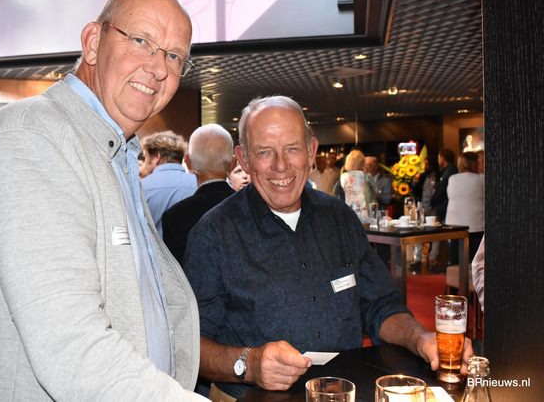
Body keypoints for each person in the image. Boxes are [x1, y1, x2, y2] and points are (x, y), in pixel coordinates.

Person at [0, 0, 206, 401]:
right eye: (141, 41)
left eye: (174, 56)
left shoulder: (115, 151)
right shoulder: (32, 136)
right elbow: (71, 346)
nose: (158, 68)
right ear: (92, 42)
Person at [183, 96, 472, 399]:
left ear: (311, 152)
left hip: (344, 392)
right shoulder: (213, 234)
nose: (280, 165)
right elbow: (191, 346)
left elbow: (381, 306)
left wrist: (421, 339)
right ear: (243, 159)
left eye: (292, 148)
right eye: (264, 152)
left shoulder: (340, 218)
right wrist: (249, 364)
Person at [162, 124, 235, 265]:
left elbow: (176, 273)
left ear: (188, 162)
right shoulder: (253, 207)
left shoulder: (175, 217)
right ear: (233, 163)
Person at [141, 130, 197, 236]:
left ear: (157, 157)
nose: (144, 164)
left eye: (145, 157)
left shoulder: (141, 187)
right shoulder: (198, 184)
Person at [445, 152, 484, 265]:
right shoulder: (481, 179)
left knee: (456, 261)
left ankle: (454, 276)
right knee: (475, 262)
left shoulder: (452, 178)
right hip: (475, 225)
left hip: (454, 225)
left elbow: (450, 195)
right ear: (474, 163)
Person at [340, 149, 376, 222]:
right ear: (362, 162)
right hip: (364, 211)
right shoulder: (366, 176)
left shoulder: (343, 177)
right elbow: (374, 191)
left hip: (348, 210)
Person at [430, 149, 457, 224]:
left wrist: (432, 201)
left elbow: (442, 189)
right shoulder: (448, 170)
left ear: (442, 158)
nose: (438, 160)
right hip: (444, 207)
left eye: (439, 158)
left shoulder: (450, 171)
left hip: (444, 207)